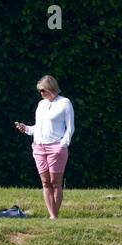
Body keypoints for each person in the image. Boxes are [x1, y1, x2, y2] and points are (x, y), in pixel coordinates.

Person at [16, 75, 74, 220]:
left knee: (55, 182)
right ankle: (52, 216)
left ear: (51, 88)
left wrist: (63, 145)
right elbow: (39, 127)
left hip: (56, 147)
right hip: (39, 147)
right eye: (40, 91)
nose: (41, 93)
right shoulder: (41, 104)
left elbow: (70, 128)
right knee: (45, 182)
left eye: (43, 90)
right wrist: (27, 129)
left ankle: (54, 215)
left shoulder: (65, 103)